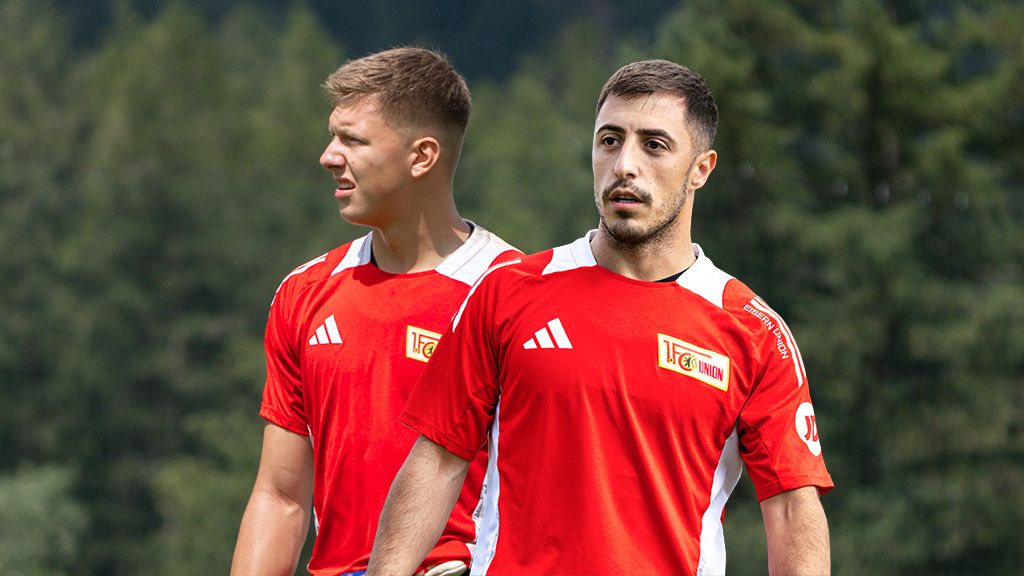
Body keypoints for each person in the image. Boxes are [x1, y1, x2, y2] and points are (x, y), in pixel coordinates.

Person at [367, 59, 834, 575]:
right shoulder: (507, 292)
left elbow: (792, 507)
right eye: (610, 140)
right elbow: (435, 461)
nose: (624, 165)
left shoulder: (751, 329)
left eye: (653, 145)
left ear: (701, 168)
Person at [230, 47, 518, 576]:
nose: (328, 156)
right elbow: (280, 496)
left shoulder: (516, 295)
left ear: (422, 156)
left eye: (352, 140)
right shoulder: (305, 292)